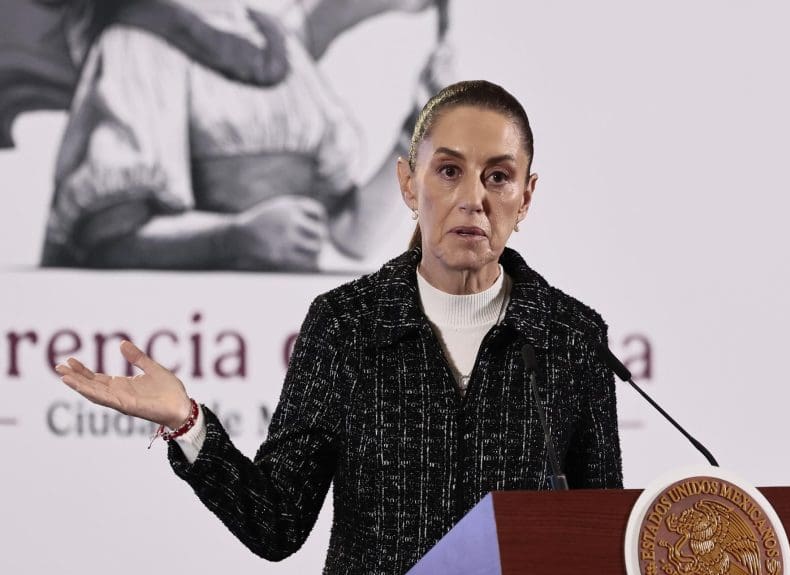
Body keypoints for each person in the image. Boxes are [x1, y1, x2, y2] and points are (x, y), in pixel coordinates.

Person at [56, 80, 623, 574]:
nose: (473, 198)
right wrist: (188, 423)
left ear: (525, 197)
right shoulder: (346, 326)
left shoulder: (570, 337)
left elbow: (602, 542)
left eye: (498, 177)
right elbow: (276, 523)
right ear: (408, 184)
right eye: (448, 171)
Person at [39, 0, 445, 271]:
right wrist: (236, 237)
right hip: (191, 337)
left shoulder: (280, 46)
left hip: (277, 334)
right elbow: (109, 241)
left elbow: (352, 234)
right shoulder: (136, 44)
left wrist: (420, 128)